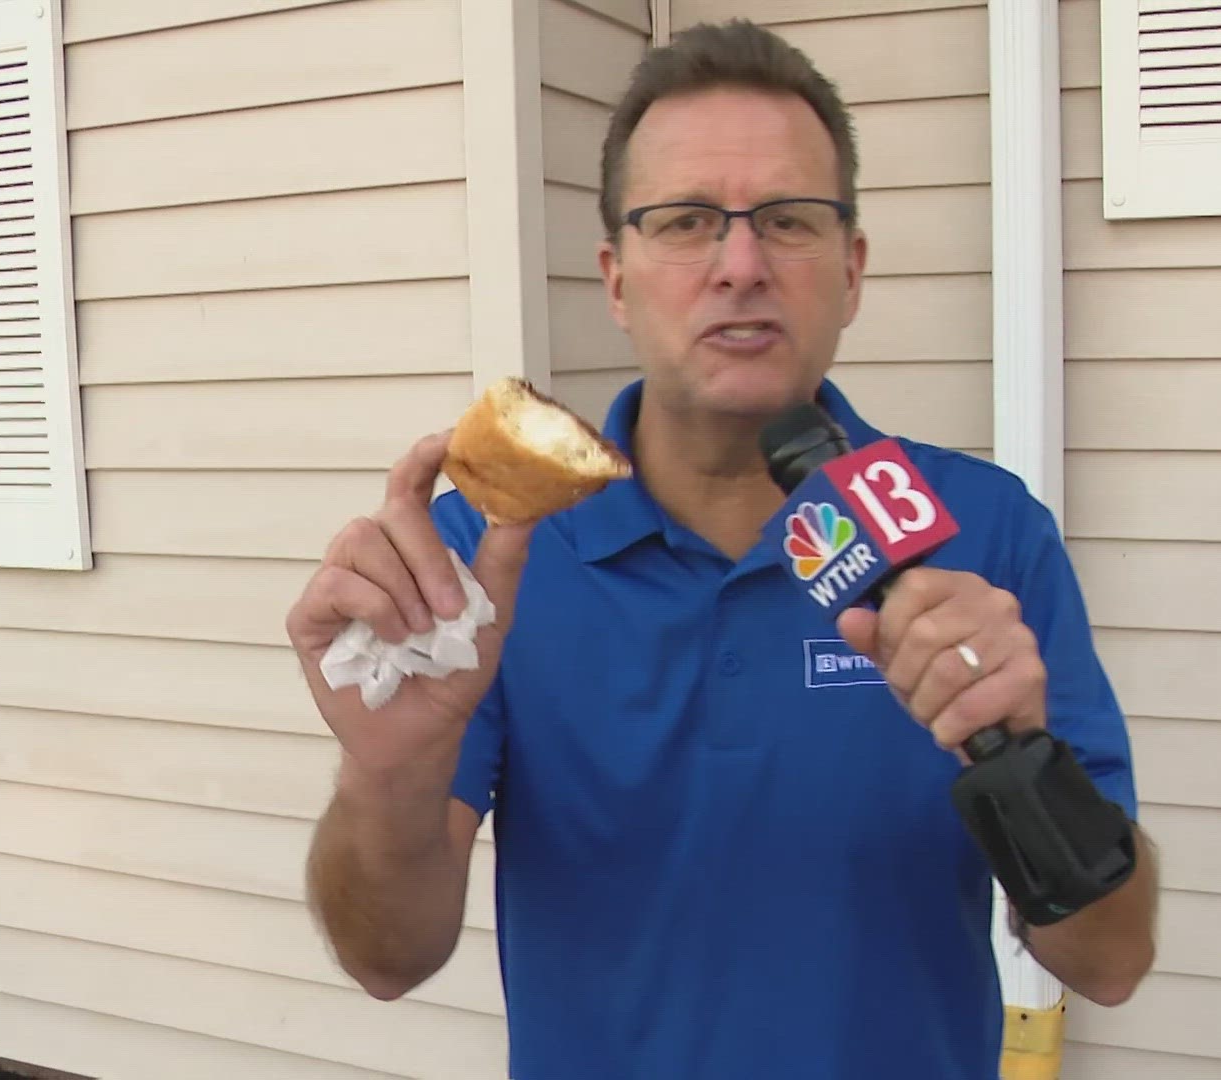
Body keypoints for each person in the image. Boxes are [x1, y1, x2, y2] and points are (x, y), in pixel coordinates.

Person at [288, 19, 1157, 1080]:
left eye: (788, 221)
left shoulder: (981, 533)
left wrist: (1026, 760)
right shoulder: (486, 562)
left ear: (852, 268)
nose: (739, 265)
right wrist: (387, 778)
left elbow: (1109, 961)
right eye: (688, 221)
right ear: (615, 276)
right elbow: (388, 959)